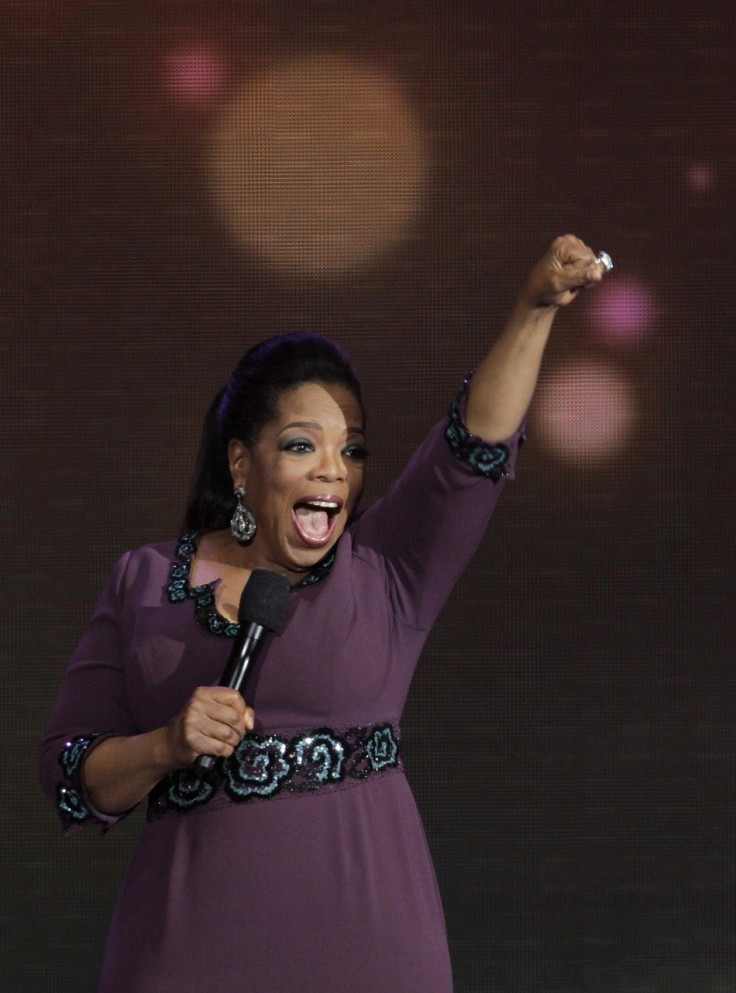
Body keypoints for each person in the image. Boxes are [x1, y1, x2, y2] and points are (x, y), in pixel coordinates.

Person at [40, 235, 609, 993]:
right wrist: (166, 744)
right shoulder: (142, 580)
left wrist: (533, 310)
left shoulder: (388, 568)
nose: (333, 472)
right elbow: (72, 774)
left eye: (352, 450)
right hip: (186, 955)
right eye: (303, 445)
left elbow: (472, 447)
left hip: (369, 954)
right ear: (243, 461)